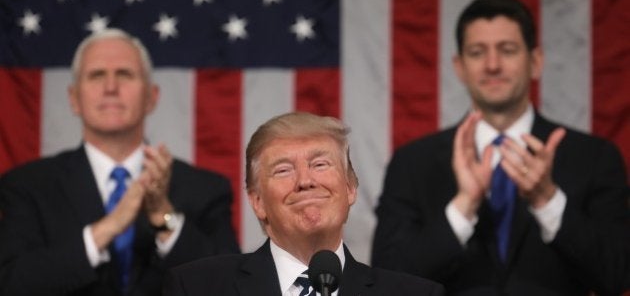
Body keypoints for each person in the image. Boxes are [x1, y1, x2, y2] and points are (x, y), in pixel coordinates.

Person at [371, 0, 630, 296]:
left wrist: (548, 201)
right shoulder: (413, 162)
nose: (492, 65)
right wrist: (463, 207)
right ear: (459, 66)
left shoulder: (594, 157)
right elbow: (385, 284)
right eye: (478, 52)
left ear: (535, 61)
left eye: (507, 50)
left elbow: (618, 275)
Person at [0, 28, 240, 296]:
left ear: (151, 96)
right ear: (74, 98)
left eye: (124, 74)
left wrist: (164, 217)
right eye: (96, 75)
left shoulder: (205, 188)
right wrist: (105, 230)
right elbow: (11, 283)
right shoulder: (28, 185)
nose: (111, 87)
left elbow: (230, 286)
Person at [163, 112, 444, 295]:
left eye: (320, 164)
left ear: (350, 189)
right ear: (258, 202)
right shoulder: (197, 288)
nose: (305, 180)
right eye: (284, 170)